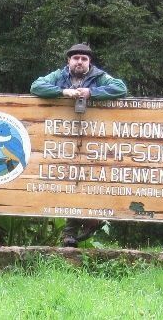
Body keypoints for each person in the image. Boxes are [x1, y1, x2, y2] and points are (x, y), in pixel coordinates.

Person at [30, 42, 127, 246]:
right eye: (76, 58)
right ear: (69, 60)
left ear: (89, 62)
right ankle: (69, 233)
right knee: (67, 179)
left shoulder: (100, 77)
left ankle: (89, 221)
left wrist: (91, 93)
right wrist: (64, 93)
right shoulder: (59, 75)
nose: (80, 62)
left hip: (95, 139)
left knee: (92, 179)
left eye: (84, 59)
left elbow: (120, 87)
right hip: (63, 138)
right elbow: (36, 86)